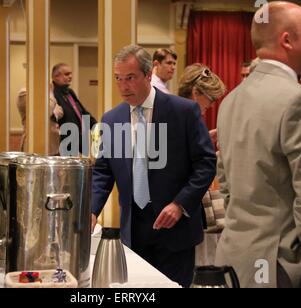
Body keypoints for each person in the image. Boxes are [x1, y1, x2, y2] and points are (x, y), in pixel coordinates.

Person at [215, 1, 301, 288]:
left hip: (234, 256)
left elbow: (227, 184)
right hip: (281, 264)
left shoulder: (231, 100)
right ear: (287, 40)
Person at [91, 45, 217, 287]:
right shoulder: (111, 119)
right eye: (118, 79)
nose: (123, 86)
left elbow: (206, 163)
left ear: (148, 75)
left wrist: (180, 203)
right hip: (134, 231)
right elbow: (103, 171)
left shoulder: (184, 111)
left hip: (175, 229)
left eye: (130, 78)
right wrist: (93, 209)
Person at [51, 63, 96, 155]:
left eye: (70, 74)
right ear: (56, 77)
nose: (70, 76)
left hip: (76, 141)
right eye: (67, 74)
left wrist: (96, 126)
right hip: (62, 145)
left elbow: (83, 113)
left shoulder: (70, 92)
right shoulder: (52, 94)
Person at [178, 63, 226, 145]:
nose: (212, 105)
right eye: (212, 99)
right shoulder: (173, 120)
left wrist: (205, 140)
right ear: (195, 93)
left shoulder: (185, 118)